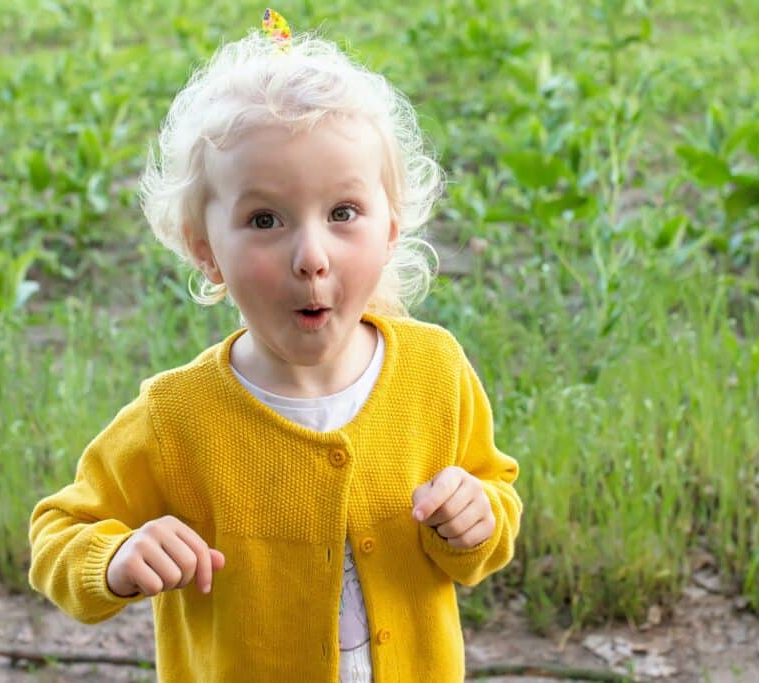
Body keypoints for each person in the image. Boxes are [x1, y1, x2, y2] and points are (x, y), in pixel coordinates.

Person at [28, 9, 522, 682]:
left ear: (391, 228)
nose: (311, 256)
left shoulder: (435, 371)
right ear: (206, 251)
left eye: (343, 213)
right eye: (265, 219)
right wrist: (115, 560)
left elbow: (492, 499)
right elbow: (58, 531)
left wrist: (478, 518)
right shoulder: (177, 417)